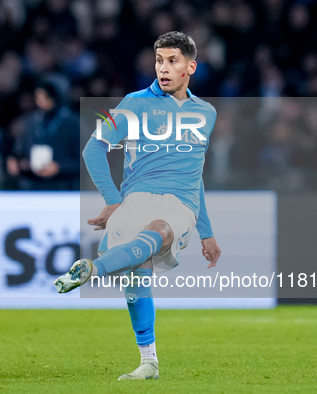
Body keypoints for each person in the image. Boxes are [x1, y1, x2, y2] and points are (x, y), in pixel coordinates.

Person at [54, 31, 221, 380]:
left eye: (172, 61)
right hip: (137, 198)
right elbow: (92, 150)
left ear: (190, 66)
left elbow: (195, 176)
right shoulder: (133, 103)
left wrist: (206, 232)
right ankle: (149, 363)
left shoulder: (206, 113)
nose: (163, 68)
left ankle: (93, 270)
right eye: (159, 60)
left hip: (179, 203)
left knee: (159, 233)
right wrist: (114, 201)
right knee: (137, 270)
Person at [6, 80, 80, 190]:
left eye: (45, 97)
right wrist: (16, 162)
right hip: (31, 186)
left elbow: (81, 161)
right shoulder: (29, 122)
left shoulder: (72, 123)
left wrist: (59, 167)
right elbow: (18, 152)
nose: (41, 101)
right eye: (38, 97)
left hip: (62, 187)